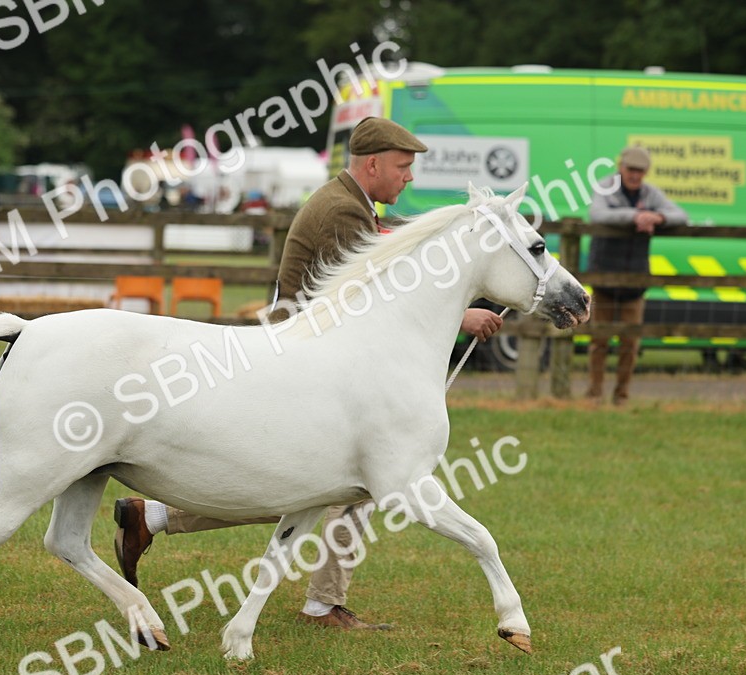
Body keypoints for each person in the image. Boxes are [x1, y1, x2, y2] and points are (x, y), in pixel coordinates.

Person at [114, 116, 505, 631]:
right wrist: (462, 315)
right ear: (373, 164)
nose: (409, 177)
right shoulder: (344, 213)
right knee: (350, 481)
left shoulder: (351, 205)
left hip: (310, 352)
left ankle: (154, 519)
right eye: (403, 167)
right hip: (302, 359)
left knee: (310, 483)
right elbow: (375, 296)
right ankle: (322, 604)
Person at [586, 145, 687, 405]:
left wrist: (658, 217)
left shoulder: (651, 194)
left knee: (630, 344)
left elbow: (682, 216)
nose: (635, 175)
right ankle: (595, 394)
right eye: (631, 169)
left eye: (640, 171)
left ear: (646, 172)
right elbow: (596, 214)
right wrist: (637, 216)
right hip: (604, 279)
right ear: (621, 167)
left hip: (635, 281)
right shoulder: (605, 186)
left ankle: (621, 396)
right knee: (599, 340)